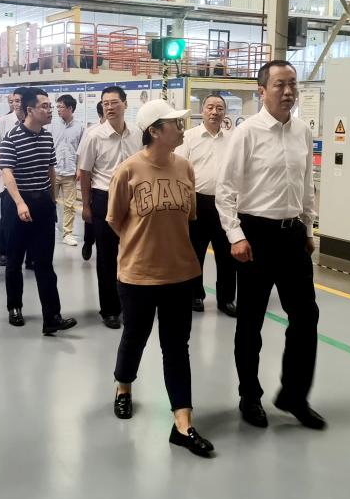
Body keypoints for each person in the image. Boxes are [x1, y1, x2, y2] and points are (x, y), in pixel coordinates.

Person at [215, 60, 325, 430]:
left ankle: (294, 395)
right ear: (262, 91)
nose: (288, 91)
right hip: (256, 236)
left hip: (293, 236)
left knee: (306, 317)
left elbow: (307, 184)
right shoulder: (246, 133)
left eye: (292, 84)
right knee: (251, 322)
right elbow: (225, 191)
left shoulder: (303, 131)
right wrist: (236, 236)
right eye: (280, 84)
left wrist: (308, 229)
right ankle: (250, 395)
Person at [108, 99, 213, 457]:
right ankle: (124, 386)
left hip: (181, 274)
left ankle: (183, 423)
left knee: (176, 347)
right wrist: (142, 246)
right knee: (134, 337)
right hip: (138, 275)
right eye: (175, 124)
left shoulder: (185, 167)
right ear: (154, 131)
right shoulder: (128, 171)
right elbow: (115, 220)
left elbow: (189, 217)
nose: (182, 129)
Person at [0, 88, 76, 334]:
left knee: (45, 263)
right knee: (14, 260)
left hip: (42, 204)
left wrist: (51, 199)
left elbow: (50, 169)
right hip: (17, 204)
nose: (50, 110)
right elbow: (7, 173)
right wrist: (20, 203)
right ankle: (14, 307)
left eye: (50, 106)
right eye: (44, 106)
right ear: (29, 110)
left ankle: (52, 317)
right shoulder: (11, 138)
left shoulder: (47, 137)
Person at [78, 86, 142, 329]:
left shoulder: (137, 134)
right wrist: (86, 205)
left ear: (125, 104)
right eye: (105, 103)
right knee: (106, 257)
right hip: (103, 198)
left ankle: (131, 303)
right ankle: (110, 310)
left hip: (133, 199)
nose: (109, 107)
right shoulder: (94, 136)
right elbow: (85, 173)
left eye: (114, 102)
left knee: (133, 253)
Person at [176, 93, 237, 317]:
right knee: (195, 252)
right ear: (202, 111)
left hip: (225, 203)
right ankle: (196, 295)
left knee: (227, 254)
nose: (214, 112)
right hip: (197, 202)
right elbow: (179, 170)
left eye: (219, 108)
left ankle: (226, 299)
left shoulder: (233, 138)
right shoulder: (189, 137)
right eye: (210, 107)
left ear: (225, 113)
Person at [0, 87, 29, 268]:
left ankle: (29, 256)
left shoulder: (37, 122)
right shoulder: (4, 122)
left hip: (29, 181)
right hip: (8, 179)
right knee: (7, 218)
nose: (16, 104)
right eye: (13, 101)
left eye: (19, 101)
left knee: (29, 218)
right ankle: (3, 252)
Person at [50, 94, 84, 247]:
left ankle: (67, 233)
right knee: (49, 203)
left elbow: (81, 151)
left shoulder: (80, 127)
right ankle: (48, 229)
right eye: (57, 107)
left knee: (69, 205)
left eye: (61, 107)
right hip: (53, 171)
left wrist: (79, 169)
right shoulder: (51, 125)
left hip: (70, 172)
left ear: (70, 108)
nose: (58, 110)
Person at [77, 100, 106, 262]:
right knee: (91, 218)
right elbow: (82, 155)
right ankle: (88, 242)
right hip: (94, 182)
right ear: (101, 113)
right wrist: (79, 171)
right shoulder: (91, 132)